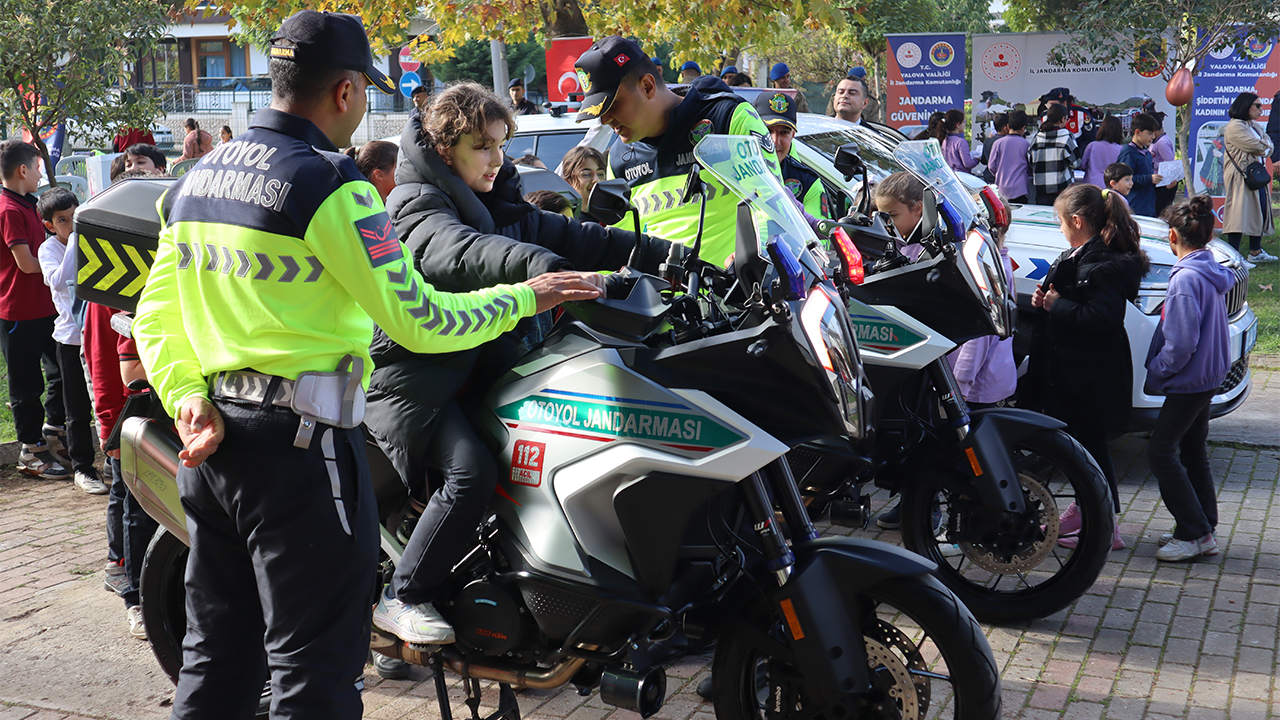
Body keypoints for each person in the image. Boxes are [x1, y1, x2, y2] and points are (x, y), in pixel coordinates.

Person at [131, 12, 601, 718]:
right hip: (303, 450)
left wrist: (188, 395)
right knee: (315, 673)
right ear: (346, 92)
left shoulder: (197, 179)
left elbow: (154, 317)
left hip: (215, 445)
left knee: (217, 661)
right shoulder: (329, 185)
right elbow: (419, 317)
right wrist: (524, 297)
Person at [364, 81, 667, 647]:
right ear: (445, 145)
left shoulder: (499, 203)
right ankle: (403, 594)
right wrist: (544, 271)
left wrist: (667, 256)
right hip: (421, 378)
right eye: (482, 145)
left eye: (501, 144)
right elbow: (458, 251)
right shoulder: (413, 202)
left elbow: (581, 235)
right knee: (470, 471)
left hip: (482, 369)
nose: (496, 157)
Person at [575, 36, 782, 265]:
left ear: (647, 86)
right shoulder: (618, 157)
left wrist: (752, 257)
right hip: (658, 298)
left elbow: (771, 207)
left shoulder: (728, 118)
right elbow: (622, 245)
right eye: (598, 112)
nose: (605, 120)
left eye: (612, 105)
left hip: (735, 294)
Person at [1025, 184, 1147, 551]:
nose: (1059, 229)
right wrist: (1044, 300)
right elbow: (1069, 298)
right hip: (1077, 372)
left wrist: (1056, 305)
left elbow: (1102, 317)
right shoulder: (1082, 255)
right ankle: (1093, 513)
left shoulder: (1101, 264)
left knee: (1090, 449)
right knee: (1087, 448)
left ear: (1076, 221)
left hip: (1090, 376)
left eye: (1060, 222)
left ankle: (1104, 525)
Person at [1147, 196, 1235, 562]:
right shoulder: (1210, 267)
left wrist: (1159, 370)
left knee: (1161, 451)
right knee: (1193, 449)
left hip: (1190, 379)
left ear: (1172, 236)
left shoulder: (1185, 278)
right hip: (1211, 374)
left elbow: (1181, 342)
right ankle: (1204, 525)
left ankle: (1194, 531)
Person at [1, 140, 69, 480]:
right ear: (23, 170)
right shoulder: (9, 210)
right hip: (18, 310)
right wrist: (61, 261)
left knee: (61, 370)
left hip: (46, 306)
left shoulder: (29, 204)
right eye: (38, 167)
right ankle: (30, 449)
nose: (41, 173)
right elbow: (27, 264)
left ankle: (53, 431)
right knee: (26, 385)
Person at [35, 187, 106, 495]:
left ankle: (115, 459)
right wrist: (77, 239)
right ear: (50, 225)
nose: (71, 225)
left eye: (76, 217)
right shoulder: (49, 249)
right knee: (76, 408)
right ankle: (83, 467)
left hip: (100, 334)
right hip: (70, 339)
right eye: (63, 220)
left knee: (105, 400)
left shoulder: (90, 240)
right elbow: (61, 280)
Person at [754, 91, 828, 219]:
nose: (775, 141)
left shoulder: (808, 182)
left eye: (784, 132)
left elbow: (817, 235)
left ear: (792, 136)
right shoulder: (730, 172)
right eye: (767, 130)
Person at [1221, 92, 1276, 263]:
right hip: (1240, 177)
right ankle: (1233, 255)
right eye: (1257, 106)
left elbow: (1269, 145)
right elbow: (1258, 146)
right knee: (1238, 215)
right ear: (1245, 106)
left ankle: (1255, 252)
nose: (1261, 109)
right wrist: (1265, 147)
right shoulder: (1235, 127)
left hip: (1254, 176)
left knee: (1258, 210)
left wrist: (1265, 147)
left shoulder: (1253, 125)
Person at [1029, 103, 1077, 207]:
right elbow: (1076, 162)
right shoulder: (1067, 137)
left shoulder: (1037, 137)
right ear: (1063, 119)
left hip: (1041, 189)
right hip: (1062, 189)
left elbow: (1030, 160)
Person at [1117, 112, 1164, 218]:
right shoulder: (1128, 153)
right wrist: (1149, 179)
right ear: (1137, 132)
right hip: (1135, 206)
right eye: (1149, 133)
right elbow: (1123, 180)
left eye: (1153, 133)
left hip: (1148, 205)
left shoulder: (1146, 153)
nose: (1152, 137)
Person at [988, 110, 1031, 204]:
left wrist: (1000, 175)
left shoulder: (998, 143)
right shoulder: (1026, 144)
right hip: (1020, 189)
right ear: (1024, 128)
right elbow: (1030, 166)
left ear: (1008, 126)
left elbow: (991, 166)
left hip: (1001, 189)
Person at [559, 145, 606, 219]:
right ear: (568, 182)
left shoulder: (614, 216)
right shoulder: (566, 222)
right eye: (586, 174)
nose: (596, 180)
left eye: (600, 174)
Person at [1081, 115, 1123, 188]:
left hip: (1090, 185)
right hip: (1109, 186)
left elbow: (1082, 165)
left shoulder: (1092, 145)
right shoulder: (1120, 149)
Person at [1149, 112, 1177, 215]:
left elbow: (1169, 164)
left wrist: (1153, 164)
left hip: (1163, 184)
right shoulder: (1158, 141)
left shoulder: (1162, 143)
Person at [937, 109, 977, 175]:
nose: (964, 125)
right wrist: (977, 159)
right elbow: (968, 163)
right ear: (958, 125)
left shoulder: (942, 140)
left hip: (947, 176)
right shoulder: (961, 142)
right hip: (960, 177)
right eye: (964, 122)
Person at [980, 111, 1008, 183]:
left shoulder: (988, 140)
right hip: (1003, 177)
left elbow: (983, 160)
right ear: (1006, 127)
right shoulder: (1006, 142)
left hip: (989, 177)